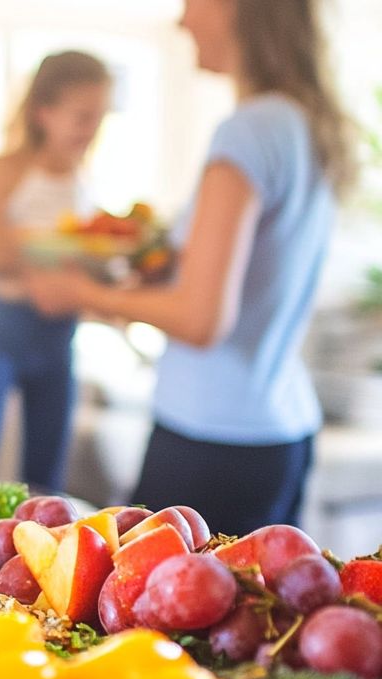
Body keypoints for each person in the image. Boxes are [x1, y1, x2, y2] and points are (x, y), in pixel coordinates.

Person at [27, 0, 352, 535]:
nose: (183, 21)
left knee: (141, 614)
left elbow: (202, 317)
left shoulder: (248, 131)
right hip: (279, 432)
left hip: (212, 440)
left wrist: (82, 292)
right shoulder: (303, 124)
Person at [0, 51, 112, 491]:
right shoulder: (6, 170)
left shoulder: (83, 180)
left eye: (98, 117)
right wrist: (63, 260)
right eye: (81, 117)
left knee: (47, 487)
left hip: (58, 341)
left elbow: (88, 267)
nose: (91, 129)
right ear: (44, 113)